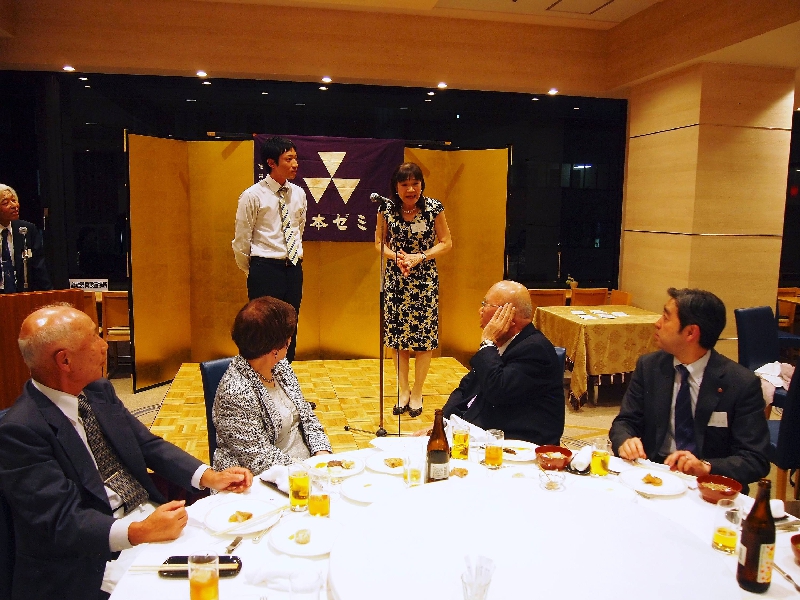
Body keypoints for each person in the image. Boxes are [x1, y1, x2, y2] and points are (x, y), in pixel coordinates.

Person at [0, 305, 253, 600]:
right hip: (94, 557)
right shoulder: (20, 431)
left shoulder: (97, 390)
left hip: (148, 517)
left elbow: (146, 445)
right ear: (65, 360)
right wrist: (139, 531)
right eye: (94, 338)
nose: (104, 345)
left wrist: (210, 476)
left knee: (240, 554)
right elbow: (63, 521)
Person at [609, 288, 770, 487]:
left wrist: (706, 467)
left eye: (666, 318)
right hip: (653, 473)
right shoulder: (650, 366)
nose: (657, 323)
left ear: (691, 332)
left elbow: (755, 458)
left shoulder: (740, 383)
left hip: (707, 487)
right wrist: (625, 440)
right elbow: (625, 421)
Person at [213, 296, 332, 476]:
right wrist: (309, 470)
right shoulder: (236, 391)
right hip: (260, 478)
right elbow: (259, 460)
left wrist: (322, 454)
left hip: (306, 465)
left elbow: (307, 416)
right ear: (276, 349)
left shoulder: (280, 366)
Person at [441, 280, 565, 445]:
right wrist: (441, 424)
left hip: (517, 445)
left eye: (485, 305)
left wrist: (487, 342)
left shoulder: (535, 349)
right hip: (481, 434)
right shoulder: (502, 344)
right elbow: (465, 388)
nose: (480, 310)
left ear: (509, 315)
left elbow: (497, 391)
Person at [375, 162, 452, 417]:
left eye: (415, 184)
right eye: (405, 184)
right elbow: (379, 243)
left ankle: (418, 391)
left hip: (424, 280)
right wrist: (396, 257)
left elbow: (446, 242)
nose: (410, 190)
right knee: (398, 339)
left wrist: (421, 256)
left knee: (423, 339)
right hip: (396, 280)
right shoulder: (386, 209)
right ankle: (403, 390)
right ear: (396, 187)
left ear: (422, 185)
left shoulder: (433, 208)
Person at [232, 137, 306, 362]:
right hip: (265, 267)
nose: (295, 164)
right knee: (262, 326)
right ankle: (261, 376)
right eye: (289, 159)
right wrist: (255, 270)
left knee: (290, 324)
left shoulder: (299, 193)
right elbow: (242, 239)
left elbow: (298, 229)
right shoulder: (253, 195)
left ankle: (285, 373)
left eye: (295, 158)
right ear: (271, 163)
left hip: (293, 268)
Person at [0, 184, 52, 293]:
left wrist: (49, 296)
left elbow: (39, 268)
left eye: (14, 200)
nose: (14, 206)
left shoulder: (27, 230)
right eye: (5, 203)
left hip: (21, 295)